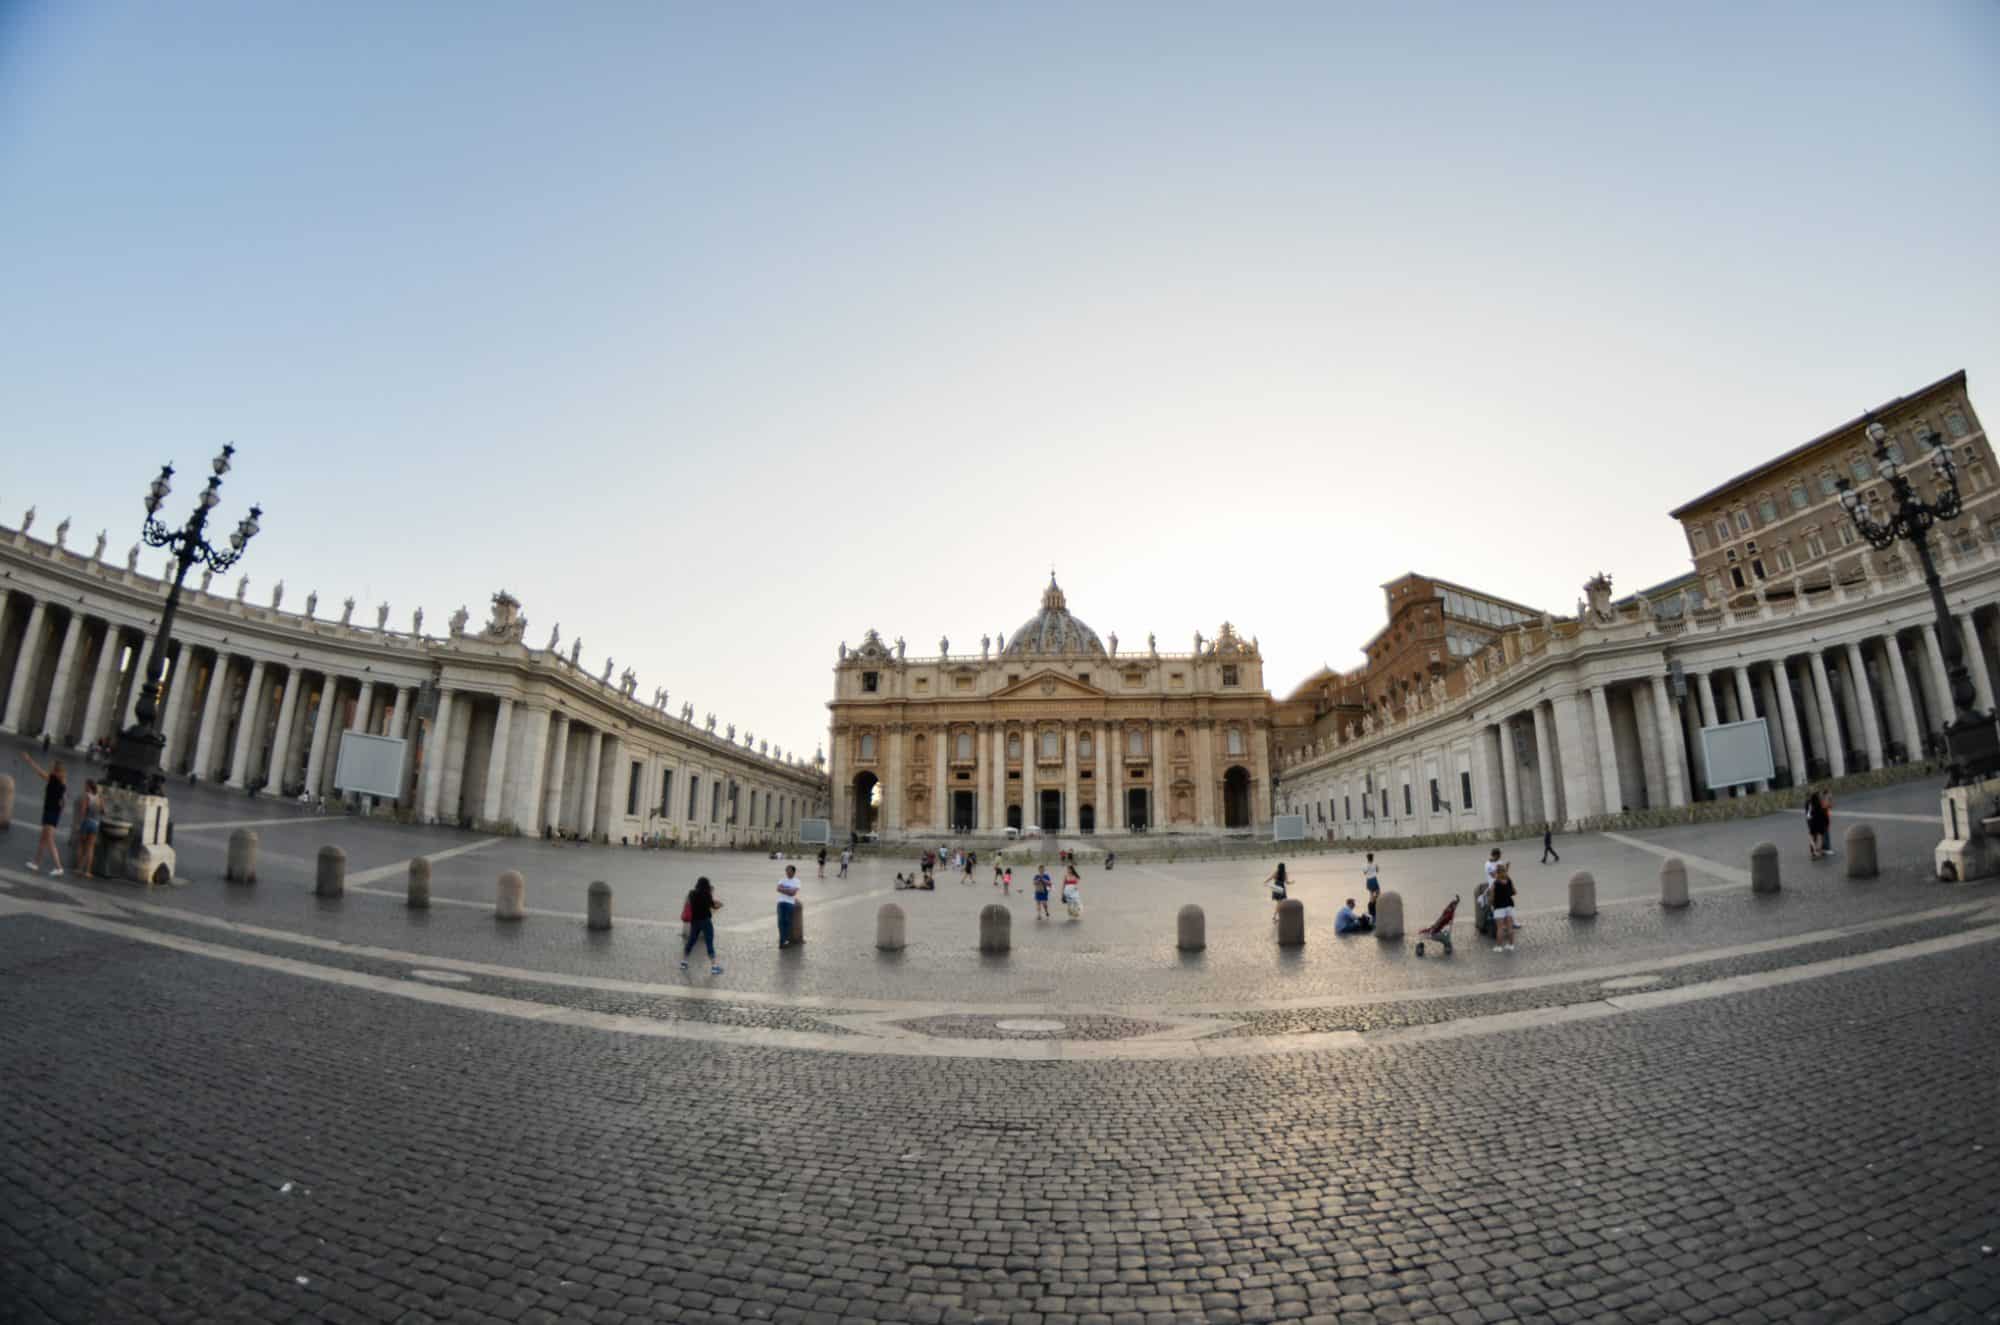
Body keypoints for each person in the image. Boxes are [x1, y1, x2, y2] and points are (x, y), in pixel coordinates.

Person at [21, 752, 67, 876]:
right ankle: (36, 863)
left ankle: (59, 867)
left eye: (52, 767)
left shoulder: (53, 779)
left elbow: (39, 771)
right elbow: (63, 801)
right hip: (53, 812)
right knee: (43, 839)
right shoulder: (62, 782)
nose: (50, 768)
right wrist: (59, 808)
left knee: (49, 840)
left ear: (56, 770)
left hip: (50, 813)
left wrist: (29, 760)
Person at [679, 877, 723, 975]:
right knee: (709, 942)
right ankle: (714, 966)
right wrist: (720, 905)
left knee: (691, 941)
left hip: (695, 921)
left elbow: (691, 904)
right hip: (706, 921)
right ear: (706, 885)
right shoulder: (707, 894)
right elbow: (713, 906)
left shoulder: (692, 893)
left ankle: (684, 962)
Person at [73, 779, 103, 880]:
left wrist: (78, 824)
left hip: (86, 822)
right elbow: (103, 810)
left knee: (81, 846)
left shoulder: (86, 796)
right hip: (95, 823)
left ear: (89, 787)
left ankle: (79, 869)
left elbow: (83, 811)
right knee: (90, 848)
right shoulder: (99, 797)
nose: (84, 787)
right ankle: (88, 871)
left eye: (85, 785)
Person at [1491, 863, 1518, 951]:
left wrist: (1491, 903)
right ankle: (1511, 945)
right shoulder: (1509, 880)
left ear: (1497, 873)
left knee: (1500, 928)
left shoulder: (1495, 883)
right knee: (1510, 927)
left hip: (1499, 907)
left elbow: (1492, 898)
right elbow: (1514, 892)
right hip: (1509, 906)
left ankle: (1499, 947)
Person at [776, 865, 803, 947]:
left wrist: (783, 889)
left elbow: (793, 893)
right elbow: (778, 889)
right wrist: (789, 890)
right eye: (787, 871)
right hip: (780, 902)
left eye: (789, 871)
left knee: (787, 921)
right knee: (780, 922)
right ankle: (782, 940)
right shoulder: (782, 880)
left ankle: (785, 940)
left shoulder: (797, 881)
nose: (787, 872)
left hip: (789, 903)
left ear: (794, 872)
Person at [1363, 853, 1380, 921]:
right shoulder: (1375, 864)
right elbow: (1377, 871)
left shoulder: (1365, 865)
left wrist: (1368, 871)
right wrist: (1373, 871)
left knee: (1371, 893)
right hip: (1373, 879)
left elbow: (1364, 873)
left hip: (1368, 880)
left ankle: (1371, 904)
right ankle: (1373, 904)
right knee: (1378, 892)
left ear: (1367, 858)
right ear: (1372, 858)